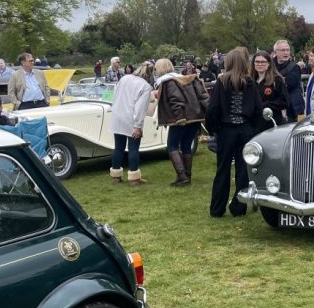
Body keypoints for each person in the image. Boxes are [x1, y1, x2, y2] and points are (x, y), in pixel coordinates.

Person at [205, 47, 263, 217]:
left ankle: (217, 208)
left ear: (228, 62)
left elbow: (212, 109)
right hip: (244, 130)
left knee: (222, 169)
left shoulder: (222, 82)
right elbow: (258, 110)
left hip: (226, 130)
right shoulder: (250, 83)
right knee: (243, 170)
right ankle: (238, 207)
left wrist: (213, 129)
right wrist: (253, 128)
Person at [154, 57, 209, 186]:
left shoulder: (169, 81)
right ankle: (187, 177)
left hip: (180, 119)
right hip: (195, 118)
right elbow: (203, 96)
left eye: (156, 68)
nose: (155, 71)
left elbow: (175, 99)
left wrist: (179, 118)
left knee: (172, 146)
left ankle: (182, 176)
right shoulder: (186, 78)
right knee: (186, 145)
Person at [109, 61, 155, 185]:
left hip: (117, 115)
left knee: (118, 147)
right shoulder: (145, 86)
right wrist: (138, 126)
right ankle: (134, 177)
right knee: (133, 148)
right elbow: (141, 108)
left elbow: (115, 95)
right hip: (131, 118)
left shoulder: (124, 78)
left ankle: (115, 176)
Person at [252, 50, 288, 130]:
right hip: (255, 124)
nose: (260, 64)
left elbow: (284, 101)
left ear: (268, 64)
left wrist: (266, 105)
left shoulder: (276, 80)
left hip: (272, 123)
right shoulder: (251, 81)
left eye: (263, 62)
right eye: (257, 62)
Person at [272, 38, 304, 122]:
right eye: (283, 50)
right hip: (274, 107)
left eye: (287, 50)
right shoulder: (270, 66)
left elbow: (289, 85)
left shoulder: (294, 67)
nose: (286, 53)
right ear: (275, 52)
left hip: (292, 109)